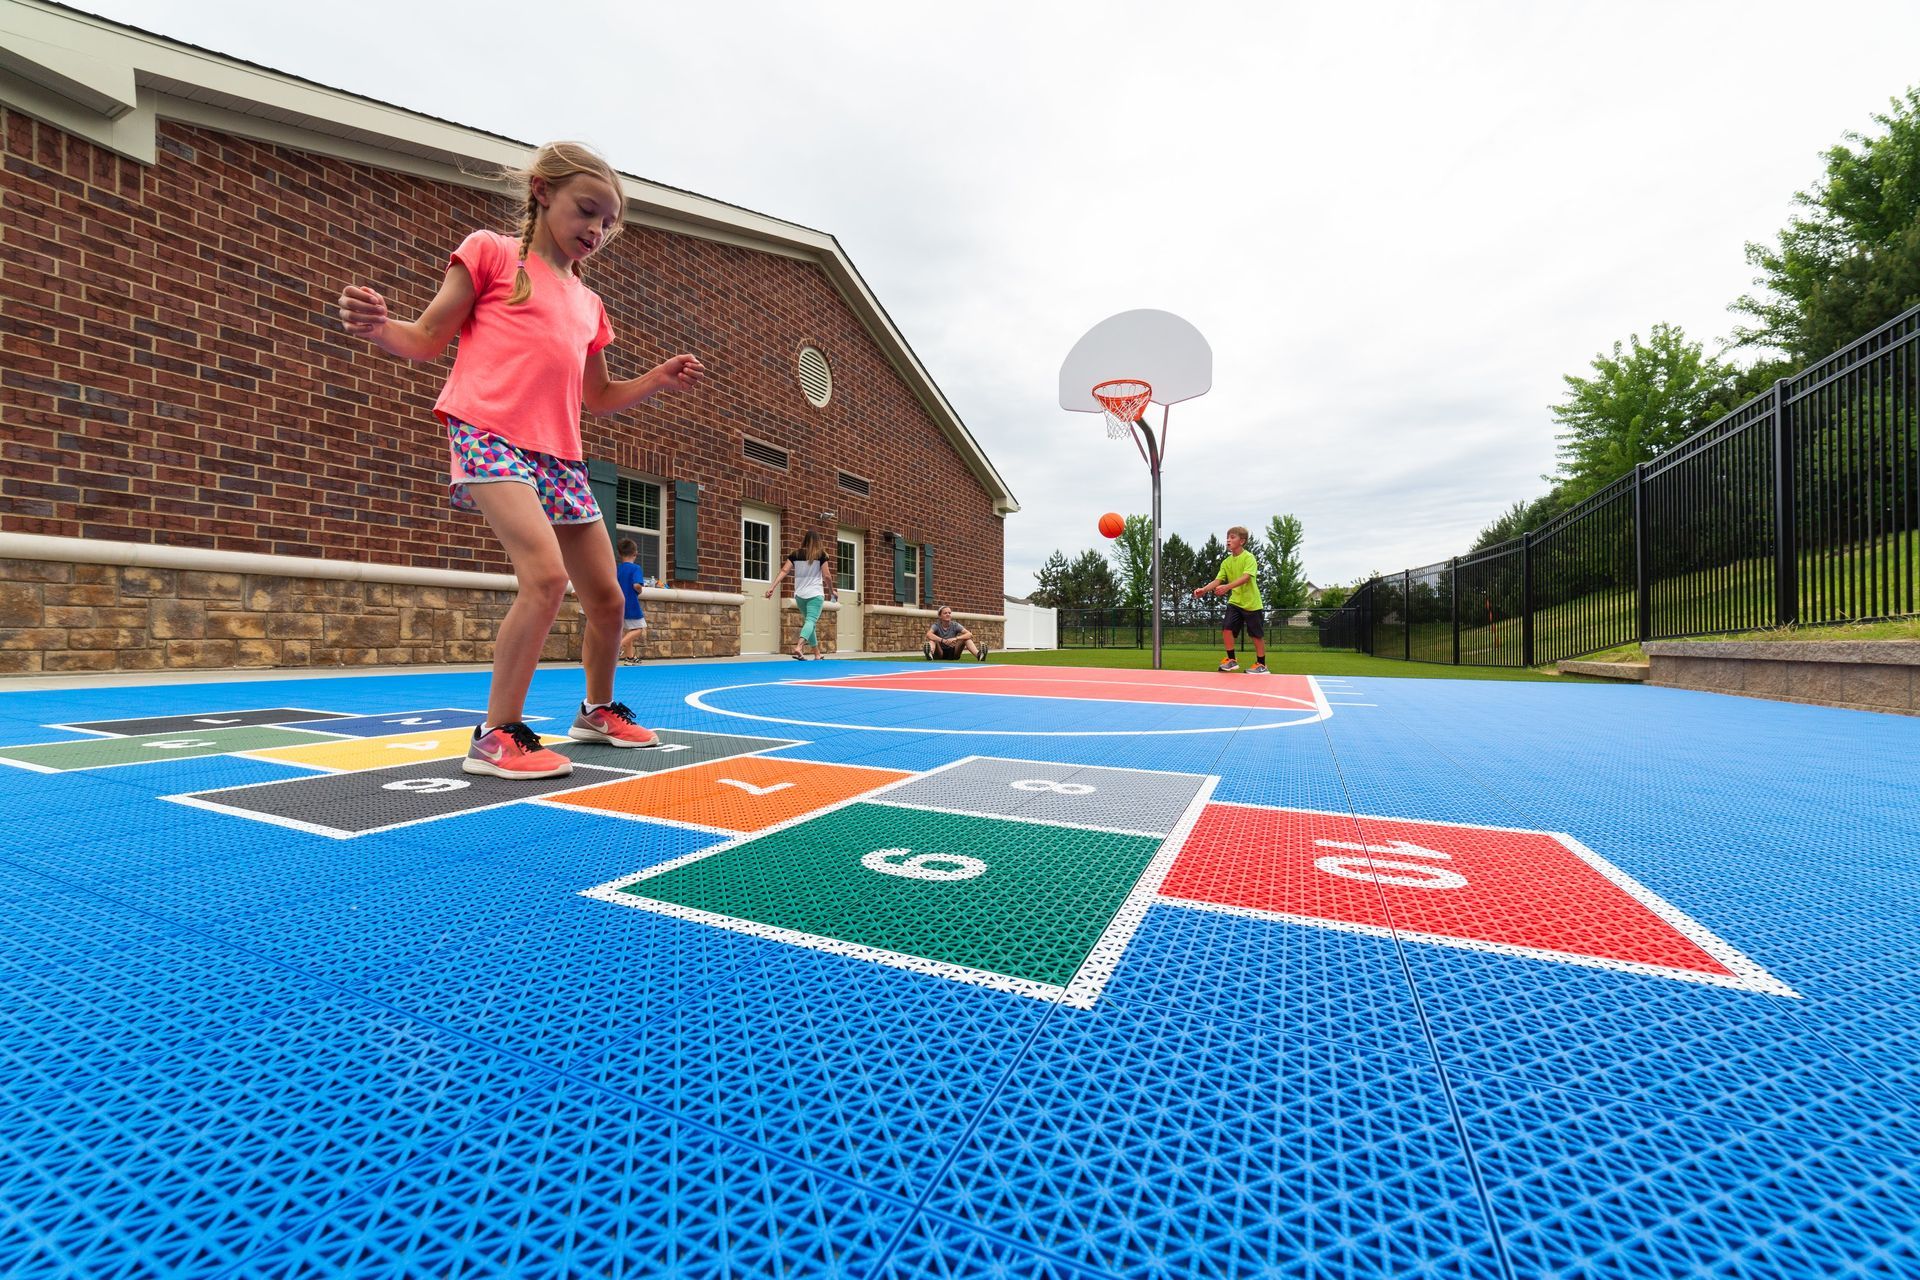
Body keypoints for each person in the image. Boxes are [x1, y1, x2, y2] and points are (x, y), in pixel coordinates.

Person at [337, 141, 706, 778]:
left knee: (609, 600)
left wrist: (656, 380)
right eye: (587, 210)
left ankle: (595, 710)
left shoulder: (590, 304)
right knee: (543, 577)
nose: (596, 229)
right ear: (542, 191)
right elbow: (426, 340)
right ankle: (495, 733)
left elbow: (598, 397)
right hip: (487, 432)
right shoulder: (491, 252)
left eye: (607, 223)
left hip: (560, 455)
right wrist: (379, 328)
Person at [1193, 525, 1268, 673]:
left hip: (1252, 603)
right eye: (1227, 537)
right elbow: (1218, 580)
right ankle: (1231, 660)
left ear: (1242, 541)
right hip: (1235, 601)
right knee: (1226, 628)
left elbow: (1246, 577)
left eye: (1232, 537)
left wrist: (1227, 587)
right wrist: (1204, 589)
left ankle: (1262, 665)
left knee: (1256, 635)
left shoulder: (1249, 558)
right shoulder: (1226, 562)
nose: (1228, 540)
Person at [765, 530, 837, 659]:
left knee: (809, 623)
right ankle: (799, 647)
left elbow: (784, 570)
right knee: (810, 621)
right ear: (818, 541)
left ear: (804, 540)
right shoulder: (821, 555)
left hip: (800, 595)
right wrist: (832, 591)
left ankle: (817, 654)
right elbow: (827, 576)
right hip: (815, 594)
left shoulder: (795, 554)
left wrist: (772, 587)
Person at [615, 538, 649, 664]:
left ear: (620, 554)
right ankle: (618, 646)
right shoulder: (635, 568)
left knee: (628, 630)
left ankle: (630, 657)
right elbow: (636, 585)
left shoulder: (617, 568)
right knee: (639, 628)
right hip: (631, 604)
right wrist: (640, 591)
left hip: (618, 604)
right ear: (635, 553)